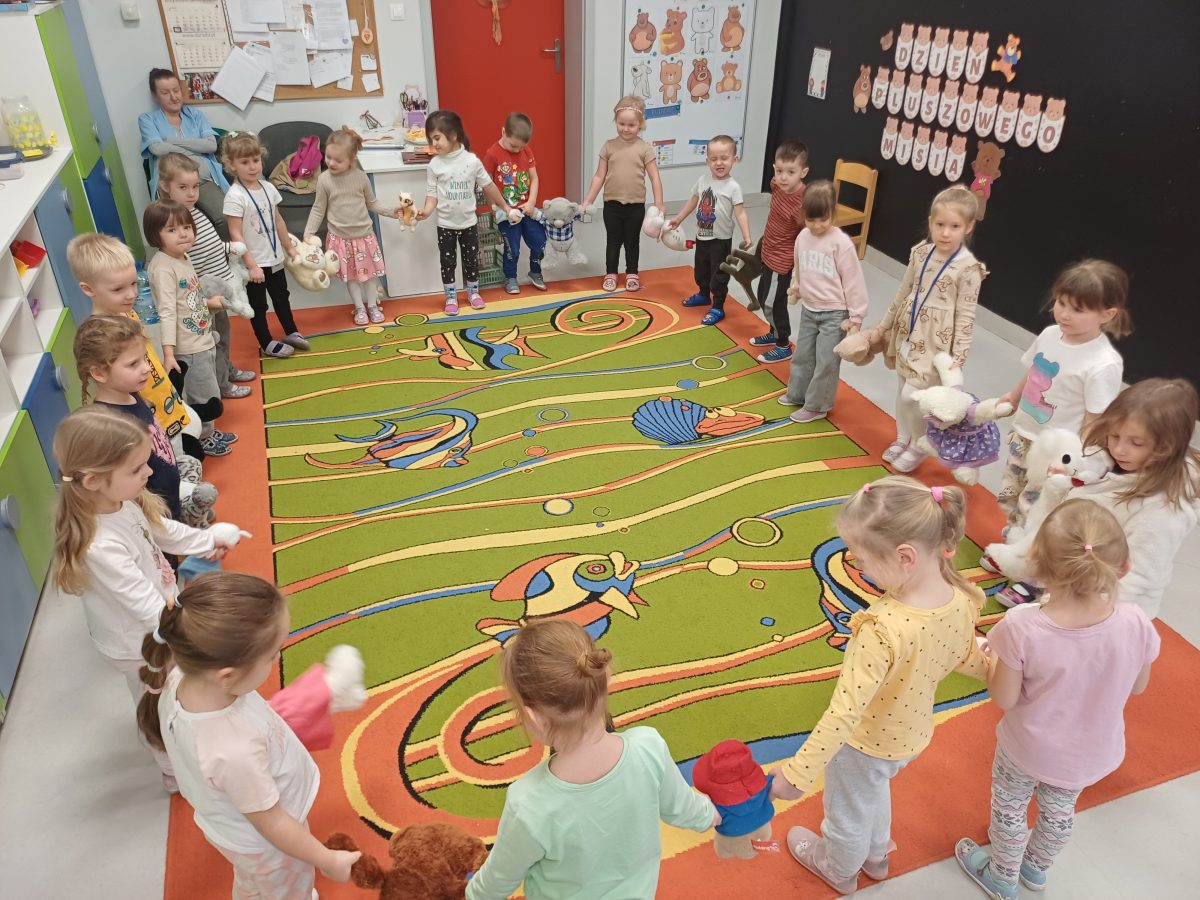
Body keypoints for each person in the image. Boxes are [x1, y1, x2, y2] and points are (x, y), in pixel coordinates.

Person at [768, 476, 989, 895]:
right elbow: (967, 656)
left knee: (848, 810)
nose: (860, 568)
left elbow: (843, 714)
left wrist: (798, 774)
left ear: (905, 556)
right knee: (872, 788)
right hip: (911, 735)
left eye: (863, 559)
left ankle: (838, 868)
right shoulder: (960, 598)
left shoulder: (881, 628)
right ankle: (875, 855)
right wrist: (999, 673)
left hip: (864, 743)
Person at [956, 499, 1158, 900]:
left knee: (1011, 807)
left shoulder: (1021, 626)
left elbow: (1005, 697)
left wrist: (991, 658)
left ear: (1037, 564)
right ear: (1123, 567)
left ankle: (1001, 875)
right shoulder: (1136, 620)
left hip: (1028, 748)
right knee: (1059, 810)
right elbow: (1137, 686)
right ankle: (1036, 867)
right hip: (1091, 751)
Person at [50, 407, 240, 791]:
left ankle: (187, 745)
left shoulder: (122, 501)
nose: (150, 472)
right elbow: (141, 602)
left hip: (159, 621)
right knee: (157, 705)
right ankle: (171, 767)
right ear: (93, 480)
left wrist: (206, 540)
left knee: (179, 692)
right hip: (137, 642)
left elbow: (162, 530)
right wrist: (191, 629)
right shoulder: (100, 544)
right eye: (137, 469)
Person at [136, 572, 360, 895]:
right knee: (285, 890)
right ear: (226, 675)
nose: (278, 658)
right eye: (272, 654)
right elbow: (273, 824)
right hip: (268, 847)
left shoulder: (183, 677)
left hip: (236, 828)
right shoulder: (234, 751)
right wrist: (328, 859)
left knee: (254, 883)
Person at [465, 620, 719, 899]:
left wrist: (470, 894)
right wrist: (715, 815)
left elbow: (497, 881)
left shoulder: (528, 803)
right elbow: (684, 808)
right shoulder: (649, 748)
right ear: (605, 681)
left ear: (534, 718)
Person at [999, 378, 1200, 617]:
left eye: (1136, 443)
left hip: (1105, 603)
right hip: (1071, 575)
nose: (1119, 449)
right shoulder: (1105, 458)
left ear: (1165, 447)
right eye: (1114, 436)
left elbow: (1139, 576)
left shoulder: (1164, 511)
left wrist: (1092, 613)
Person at [993, 260, 1130, 534]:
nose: (1064, 314)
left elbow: (1095, 419)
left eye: (1078, 309)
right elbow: (1034, 370)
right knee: (1011, 492)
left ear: (1107, 314)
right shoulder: (1050, 334)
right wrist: (1013, 397)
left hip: (1056, 451)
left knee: (1035, 504)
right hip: (1024, 434)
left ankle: (1022, 543)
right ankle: (1012, 531)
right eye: (1061, 303)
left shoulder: (1103, 362)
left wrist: (1078, 458)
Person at [868, 186, 987, 473]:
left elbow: (966, 314)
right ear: (931, 222)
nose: (945, 233)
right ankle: (903, 437)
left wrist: (959, 355)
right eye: (940, 224)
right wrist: (885, 324)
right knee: (902, 388)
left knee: (913, 395)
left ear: (968, 227)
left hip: (936, 344)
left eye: (954, 226)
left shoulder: (968, 269)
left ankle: (920, 444)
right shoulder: (921, 254)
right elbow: (904, 290)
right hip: (908, 332)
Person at [159, 152, 257, 399]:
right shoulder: (175, 223)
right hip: (204, 295)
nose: (191, 193)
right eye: (183, 187)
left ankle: (226, 369)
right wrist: (203, 298)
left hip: (219, 287)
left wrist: (228, 248)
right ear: (166, 186)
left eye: (195, 187)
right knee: (213, 340)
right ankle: (222, 383)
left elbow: (210, 245)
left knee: (223, 335)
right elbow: (184, 263)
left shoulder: (195, 211)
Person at [144, 199, 236, 457]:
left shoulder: (182, 257)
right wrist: (169, 353)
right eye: (172, 230)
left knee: (209, 390)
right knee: (202, 395)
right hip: (189, 347)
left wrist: (209, 304)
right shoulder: (163, 267)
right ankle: (203, 437)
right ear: (155, 235)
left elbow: (188, 299)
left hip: (202, 338)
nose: (183, 234)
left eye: (186, 227)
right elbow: (167, 311)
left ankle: (208, 431)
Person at [776, 181, 870, 423]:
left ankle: (817, 406)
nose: (817, 226)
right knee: (803, 355)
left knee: (826, 361)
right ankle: (798, 393)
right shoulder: (802, 237)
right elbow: (799, 266)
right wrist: (797, 288)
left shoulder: (841, 243)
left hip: (835, 314)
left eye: (823, 219)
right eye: (811, 219)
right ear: (803, 215)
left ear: (832, 214)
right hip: (809, 309)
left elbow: (853, 281)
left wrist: (856, 316)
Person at [75, 315, 183, 520]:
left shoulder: (132, 393)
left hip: (170, 502)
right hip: (152, 515)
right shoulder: (111, 425)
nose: (146, 368)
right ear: (99, 373)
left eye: (144, 358)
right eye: (133, 364)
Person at [414, 110, 514, 316]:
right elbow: (432, 195)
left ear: (453, 135)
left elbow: (489, 186)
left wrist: (505, 207)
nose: (434, 144)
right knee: (447, 262)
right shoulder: (434, 165)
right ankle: (451, 296)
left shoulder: (471, 161)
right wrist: (426, 211)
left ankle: (473, 292)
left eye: (437, 138)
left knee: (471, 260)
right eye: (431, 139)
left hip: (468, 223)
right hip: (445, 225)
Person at [220, 131, 309, 359]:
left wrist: (289, 247)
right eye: (245, 162)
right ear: (232, 164)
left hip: (275, 257)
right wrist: (251, 265)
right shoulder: (235, 196)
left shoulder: (268, 188)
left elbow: (278, 220)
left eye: (256, 160)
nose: (252, 167)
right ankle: (266, 341)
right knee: (259, 305)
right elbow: (235, 233)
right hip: (254, 263)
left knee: (282, 297)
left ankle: (291, 331)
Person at [303, 127, 401, 325]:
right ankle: (359, 308)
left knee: (370, 276)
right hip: (340, 240)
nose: (331, 163)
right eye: (328, 157)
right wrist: (308, 233)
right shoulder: (324, 179)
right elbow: (318, 209)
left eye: (338, 160)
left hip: (364, 238)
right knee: (352, 278)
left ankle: (372, 306)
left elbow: (372, 203)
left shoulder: (360, 177)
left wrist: (393, 211)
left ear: (352, 159)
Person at [581, 96, 666, 293]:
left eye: (631, 125)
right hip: (612, 205)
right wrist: (588, 201)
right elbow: (599, 176)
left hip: (636, 206)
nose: (626, 129)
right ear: (616, 121)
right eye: (621, 124)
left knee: (632, 241)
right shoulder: (609, 146)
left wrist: (659, 203)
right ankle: (611, 273)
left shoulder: (645, 149)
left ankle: (632, 273)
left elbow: (654, 177)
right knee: (613, 241)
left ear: (640, 125)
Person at [668, 135, 753, 326]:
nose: (719, 163)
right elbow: (693, 200)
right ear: (707, 161)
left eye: (724, 158)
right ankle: (703, 294)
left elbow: (740, 213)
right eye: (714, 159)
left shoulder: (733, 187)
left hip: (721, 240)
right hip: (702, 236)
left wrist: (747, 236)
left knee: (719, 274)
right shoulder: (703, 180)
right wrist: (679, 218)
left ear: (734, 159)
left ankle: (718, 306)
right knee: (701, 270)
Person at [138, 68, 231, 236]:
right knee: (178, 226)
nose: (174, 97)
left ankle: (225, 251)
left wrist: (170, 141)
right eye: (165, 93)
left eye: (176, 90)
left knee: (225, 217)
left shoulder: (195, 115)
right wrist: (195, 150)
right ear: (155, 95)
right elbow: (157, 149)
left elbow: (211, 146)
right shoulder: (147, 119)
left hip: (202, 181)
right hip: (170, 186)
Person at [749, 140, 809, 362]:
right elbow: (777, 182)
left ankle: (783, 344)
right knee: (762, 295)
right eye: (780, 170)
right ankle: (774, 332)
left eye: (791, 172)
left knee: (772, 303)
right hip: (767, 253)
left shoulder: (801, 203)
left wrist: (801, 268)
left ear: (803, 172)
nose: (783, 177)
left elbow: (807, 234)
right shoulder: (777, 185)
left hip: (781, 262)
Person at [482, 112, 548, 294]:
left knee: (540, 241)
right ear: (503, 132)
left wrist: (532, 201)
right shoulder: (492, 154)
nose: (517, 150)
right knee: (513, 248)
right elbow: (487, 184)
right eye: (513, 146)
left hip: (527, 208)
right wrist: (494, 208)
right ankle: (510, 276)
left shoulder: (526, 151)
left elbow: (534, 178)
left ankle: (535, 271)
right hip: (507, 212)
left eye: (521, 147)